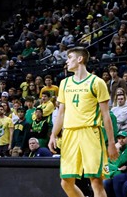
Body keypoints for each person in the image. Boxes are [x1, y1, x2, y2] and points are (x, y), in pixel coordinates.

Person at [48, 47, 117, 197]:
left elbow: (106, 115)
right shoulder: (64, 83)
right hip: (69, 134)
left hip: (90, 132)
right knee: (66, 182)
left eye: (69, 57)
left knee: (96, 181)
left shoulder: (97, 82)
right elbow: (61, 113)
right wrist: (53, 134)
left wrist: (111, 143)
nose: (66, 61)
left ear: (80, 59)